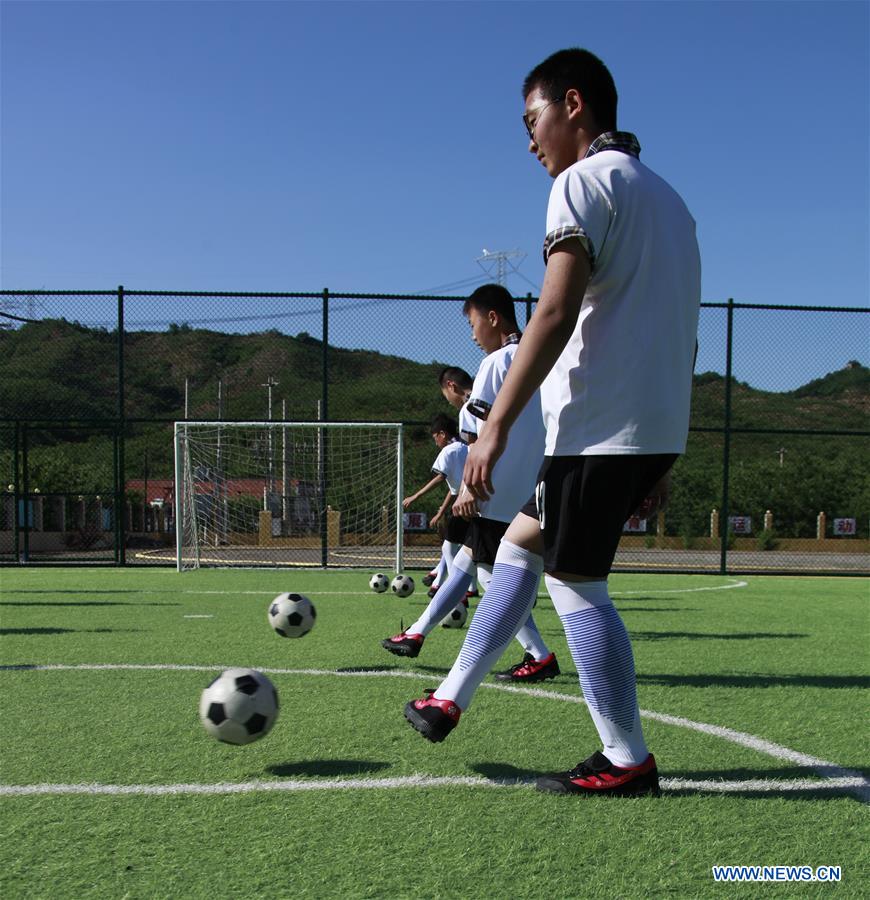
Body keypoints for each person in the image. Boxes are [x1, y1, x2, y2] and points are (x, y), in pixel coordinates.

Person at [403, 48, 701, 798]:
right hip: (642, 425)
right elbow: (684, 335)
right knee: (521, 546)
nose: (530, 140)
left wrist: (495, 427)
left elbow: (557, 312)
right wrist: (661, 455)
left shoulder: (581, 182)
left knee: (576, 586)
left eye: (531, 120)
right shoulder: (670, 200)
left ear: (573, 105)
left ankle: (626, 757)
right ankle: (451, 695)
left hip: (597, 426)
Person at [383, 284, 560, 683]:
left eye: (473, 322)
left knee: (490, 577)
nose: (472, 333)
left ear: (493, 317)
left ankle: (539, 655)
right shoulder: (546, 360)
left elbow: (478, 440)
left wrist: (467, 489)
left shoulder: (496, 364)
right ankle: (416, 634)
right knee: (467, 562)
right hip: (532, 495)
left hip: (492, 494)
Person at [401, 412, 470, 600]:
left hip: (465, 503)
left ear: (442, 434)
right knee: (465, 548)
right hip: (472, 500)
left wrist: (415, 496)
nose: (435, 443)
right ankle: (446, 582)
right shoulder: (466, 447)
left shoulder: (449, 451)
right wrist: (440, 512)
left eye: (435, 438)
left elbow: (440, 478)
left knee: (450, 548)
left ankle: (454, 589)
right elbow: (454, 487)